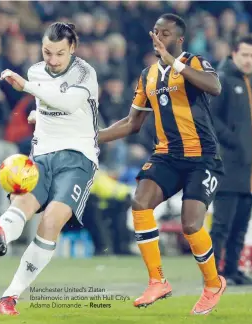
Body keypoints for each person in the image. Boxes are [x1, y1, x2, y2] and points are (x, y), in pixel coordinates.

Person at [97, 14, 226, 315]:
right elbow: (131, 123)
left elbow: (214, 86)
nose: (158, 37)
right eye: (155, 32)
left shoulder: (193, 62)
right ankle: (157, 281)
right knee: (140, 202)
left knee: (191, 224)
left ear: (179, 39)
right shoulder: (147, 75)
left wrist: (174, 61)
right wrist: (93, 137)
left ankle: (212, 284)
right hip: (167, 155)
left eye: (165, 33)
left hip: (202, 157)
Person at [0, 22, 100, 316]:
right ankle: (1, 234)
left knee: (50, 222)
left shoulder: (85, 73)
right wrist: (37, 115)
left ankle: (10, 296)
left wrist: (28, 89)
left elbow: (68, 104)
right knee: (23, 202)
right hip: (42, 154)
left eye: (59, 53)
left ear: (72, 48)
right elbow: (47, 105)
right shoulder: (35, 71)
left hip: (78, 158)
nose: (53, 60)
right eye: (47, 52)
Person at [209, 34, 252, 286]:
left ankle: (232, 269)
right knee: (221, 225)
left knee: (241, 225)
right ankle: (211, 275)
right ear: (234, 54)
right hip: (227, 166)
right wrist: (231, 140)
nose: (248, 60)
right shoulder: (221, 80)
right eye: (244, 54)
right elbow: (210, 118)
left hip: (251, 168)